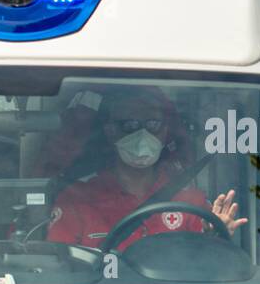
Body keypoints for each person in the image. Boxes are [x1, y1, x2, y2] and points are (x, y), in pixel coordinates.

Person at [48, 89, 246, 249]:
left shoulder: (191, 202)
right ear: (110, 131)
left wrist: (216, 239)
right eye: (130, 124)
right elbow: (60, 270)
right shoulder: (77, 199)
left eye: (153, 124)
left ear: (165, 131)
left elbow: (207, 270)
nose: (143, 134)